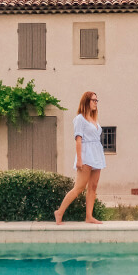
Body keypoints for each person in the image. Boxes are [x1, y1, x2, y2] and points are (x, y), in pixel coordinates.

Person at [54, 91, 105, 224]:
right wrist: (79, 159)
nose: (95, 103)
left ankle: (89, 217)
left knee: (93, 187)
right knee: (79, 187)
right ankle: (59, 212)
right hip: (86, 155)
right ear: (86, 101)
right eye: (93, 100)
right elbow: (78, 140)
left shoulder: (94, 119)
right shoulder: (80, 119)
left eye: (96, 100)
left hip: (97, 155)